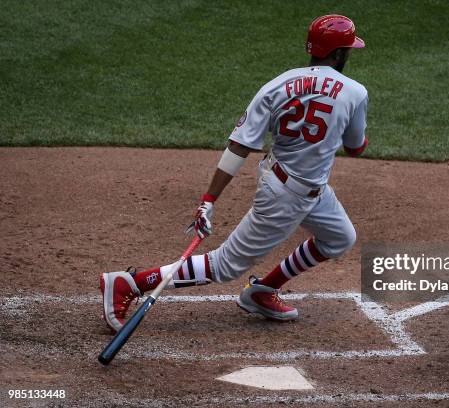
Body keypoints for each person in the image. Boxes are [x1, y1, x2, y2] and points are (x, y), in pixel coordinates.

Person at [100, 14, 369, 332]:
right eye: (348, 50)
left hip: (292, 182)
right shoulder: (355, 92)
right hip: (286, 197)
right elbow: (356, 148)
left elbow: (239, 145)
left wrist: (209, 199)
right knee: (224, 266)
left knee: (340, 237)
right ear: (338, 53)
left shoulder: (277, 86)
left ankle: (263, 291)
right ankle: (130, 283)